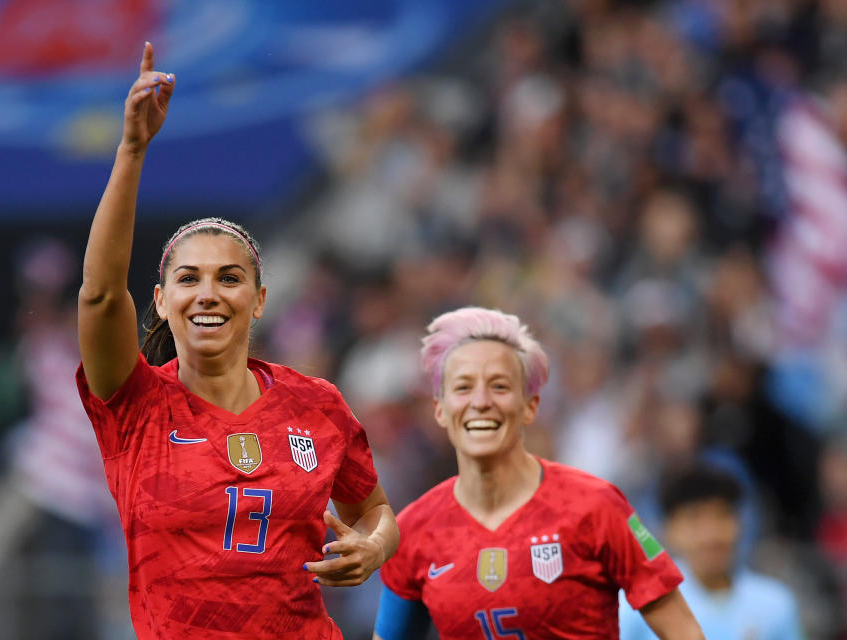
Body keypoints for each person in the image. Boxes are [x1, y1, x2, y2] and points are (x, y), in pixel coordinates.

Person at [76, 42, 398, 639]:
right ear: (161, 301)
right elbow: (98, 295)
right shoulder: (134, 405)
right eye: (187, 279)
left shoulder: (318, 404)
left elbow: (375, 511)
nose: (208, 293)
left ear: (259, 301)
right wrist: (132, 149)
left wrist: (375, 548)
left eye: (230, 278)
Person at [373, 306, 704, 640]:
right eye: (463, 387)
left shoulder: (595, 506)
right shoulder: (413, 531)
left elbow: (684, 632)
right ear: (440, 409)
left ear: (530, 406)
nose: (481, 401)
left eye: (499, 386)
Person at [620, 463, 804, 639]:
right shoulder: (638, 606)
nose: (712, 534)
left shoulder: (775, 604)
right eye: (695, 518)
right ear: (669, 530)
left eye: (722, 515)